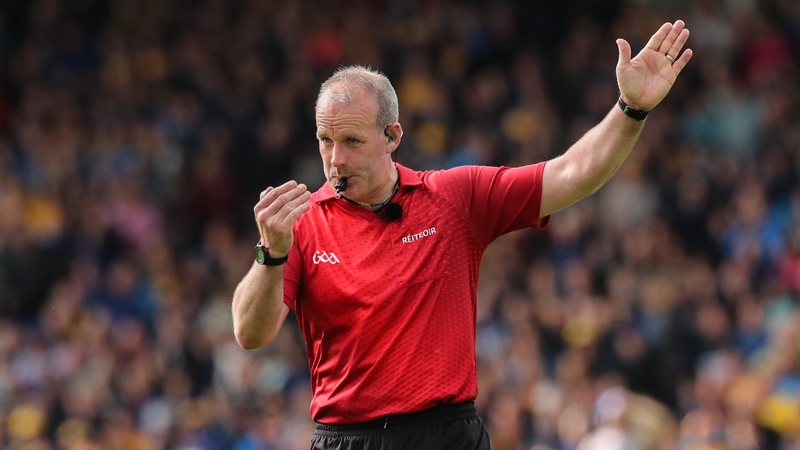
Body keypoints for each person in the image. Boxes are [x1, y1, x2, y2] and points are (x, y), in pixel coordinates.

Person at [232, 20, 692, 450]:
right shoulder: (298, 224)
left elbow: (572, 174)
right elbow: (250, 334)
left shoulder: (452, 197)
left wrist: (631, 109)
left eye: (351, 141)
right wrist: (270, 254)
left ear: (392, 136)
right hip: (346, 439)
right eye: (324, 141)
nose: (335, 160)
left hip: (447, 434)